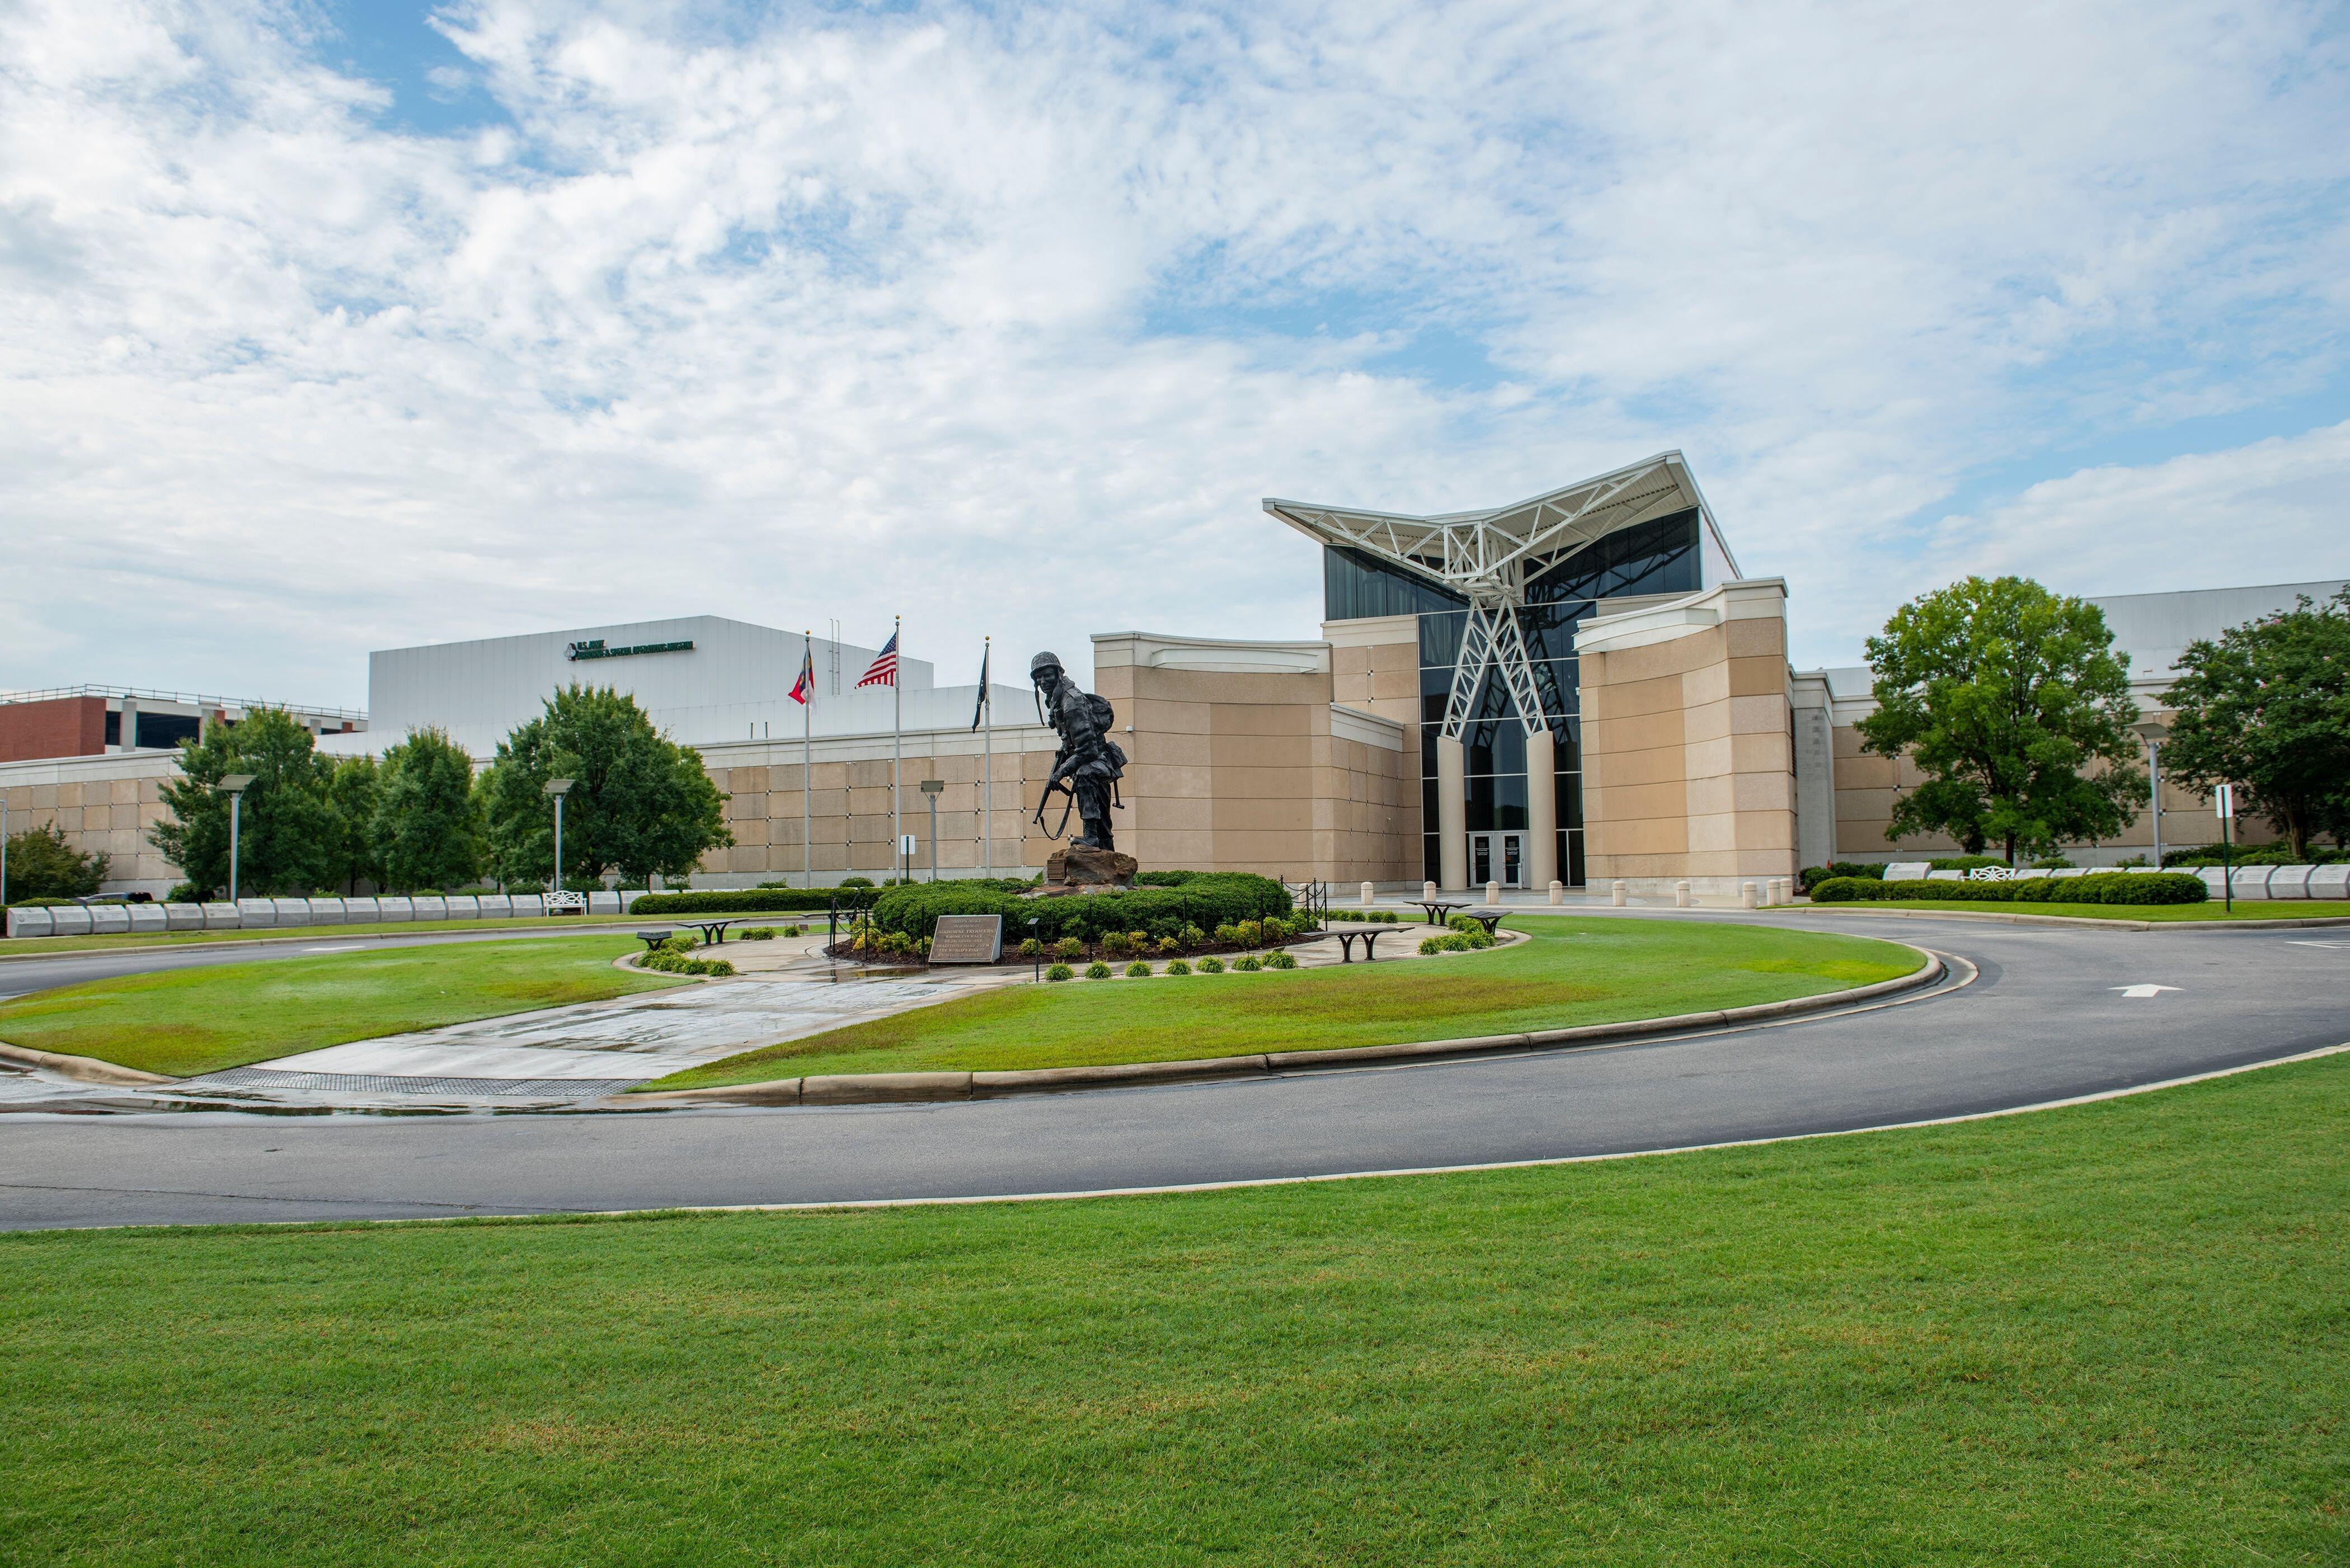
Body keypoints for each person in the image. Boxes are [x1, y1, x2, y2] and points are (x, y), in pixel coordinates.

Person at [1030, 651, 1126, 852]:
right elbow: (1070, 741)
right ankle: (1107, 859)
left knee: (1085, 775)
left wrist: (1062, 771)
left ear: (1058, 674)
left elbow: (1088, 750)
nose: (1043, 680)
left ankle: (1091, 837)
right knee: (1103, 819)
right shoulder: (1056, 700)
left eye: (1047, 675)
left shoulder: (1071, 702)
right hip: (1087, 758)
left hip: (1099, 759)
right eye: (1039, 677)